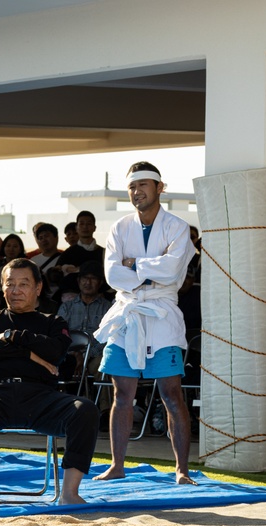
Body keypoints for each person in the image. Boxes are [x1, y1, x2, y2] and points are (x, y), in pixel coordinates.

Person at [0, 259, 98, 507]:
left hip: (40, 398)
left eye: (23, 284)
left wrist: (14, 336)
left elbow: (55, 352)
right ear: (2, 288)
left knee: (85, 410)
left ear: (37, 287)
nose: (16, 290)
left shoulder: (52, 322)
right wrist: (29, 354)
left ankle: (69, 493)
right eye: (9, 284)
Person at [93, 162, 196, 485]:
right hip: (128, 312)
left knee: (171, 393)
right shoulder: (120, 228)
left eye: (144, 186)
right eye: (132, 188)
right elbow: (113, 275)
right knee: (121, 393)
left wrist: (135, 263)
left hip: (162, 313)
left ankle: (182, 469)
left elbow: (173, 270)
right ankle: (117, 464)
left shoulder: (177, 227)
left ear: (159, 188)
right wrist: (152, 268)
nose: (137, 192)